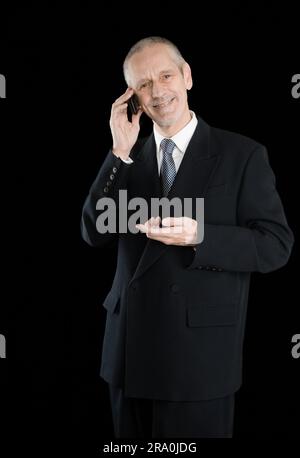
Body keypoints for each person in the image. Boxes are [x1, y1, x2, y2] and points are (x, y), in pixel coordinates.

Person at [81, 36, 294, 438]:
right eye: (144, 84)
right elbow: (93, 232)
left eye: (165, 76)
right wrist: (117, 152)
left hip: (200, 359)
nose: (158, 91)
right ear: (134, 99)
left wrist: (201, 236)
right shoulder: (129, 157)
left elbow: (275, 245)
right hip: (130, 354)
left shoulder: (242, 154)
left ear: (187, 77)